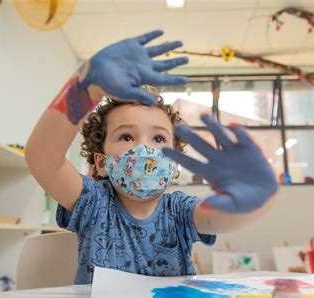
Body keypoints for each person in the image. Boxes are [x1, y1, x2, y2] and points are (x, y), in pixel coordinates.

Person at [25, 30, 278, 284]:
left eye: (158, 139)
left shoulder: (179, 211)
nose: (144, 149)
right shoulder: (93, 201)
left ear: (174, 163)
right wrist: (85, 88)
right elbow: (43, 158)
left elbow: (219, 218)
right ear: (101, 162)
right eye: (126, 137)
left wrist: (258, 198)